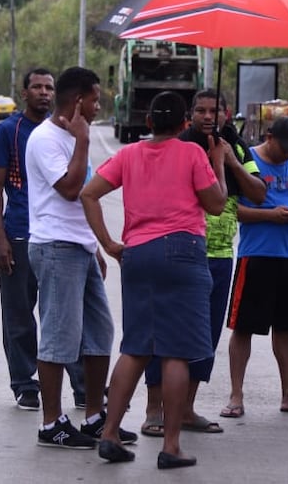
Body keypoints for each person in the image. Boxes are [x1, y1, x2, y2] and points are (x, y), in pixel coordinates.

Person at [80, 91, 228, 468]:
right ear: (183, 125)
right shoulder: (193, 153)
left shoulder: (129, 154)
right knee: (176, 351)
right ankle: (171, 446)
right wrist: (219, 162)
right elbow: (215, 203)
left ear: (148, 123)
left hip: (138, 253)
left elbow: (89, 193)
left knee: (136, 347)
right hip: (182, 251)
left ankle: (110, 433)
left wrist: (110, 243)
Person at [139, 90, 266, 436]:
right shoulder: (178, 146)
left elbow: (259, 192)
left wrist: (230, 161)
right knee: (162, 331)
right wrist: (212, 165)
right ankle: (154, 410)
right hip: (178, 251)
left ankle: (185, 408)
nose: (209, 116)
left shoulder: (237, 148)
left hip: (221, 256)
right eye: (201, 110)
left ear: (226, 113)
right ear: (190, 114)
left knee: (204, 336)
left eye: (215, 110)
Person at [25, 66, 130, 450]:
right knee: (59, 338)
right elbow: (71, 190)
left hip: (79, 247)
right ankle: (51, 422)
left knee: (99, 332)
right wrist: (83, 141)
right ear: (78, 101)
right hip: (54, 247)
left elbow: (85, 198)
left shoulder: (70, 135)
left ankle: (95, 416)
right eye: (95, 98)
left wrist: (95, 246)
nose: (99, 105)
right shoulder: (45, 139)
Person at [0, 68, 85, 411]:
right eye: (37, 87)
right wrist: (0, 238)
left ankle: (82, 385)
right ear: (24, 93)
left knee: (65, 314)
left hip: (59, 237)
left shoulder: (68, 131)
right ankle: (25, 384)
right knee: (19, 316)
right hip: (18, 234)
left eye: (49, 87)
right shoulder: (8, 131)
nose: (44, 93)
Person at [220, 116, 288, 419]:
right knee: (244, 328)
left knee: (286, 326)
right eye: (286, 146)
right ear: (269, 137)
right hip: (257, 255)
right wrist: (269, 215)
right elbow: (231, 209)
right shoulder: (248, 160)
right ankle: (236, 394)